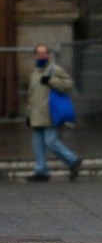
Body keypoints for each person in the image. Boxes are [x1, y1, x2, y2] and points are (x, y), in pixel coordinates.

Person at [25, 44, 82, 182]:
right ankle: (41, 170)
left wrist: (51, 81)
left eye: (44, 53)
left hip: (50, 112)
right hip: (37, 114)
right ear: (34, 56)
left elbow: (68, 84)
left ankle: (72, 160)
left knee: (50, 141)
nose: (42, 55)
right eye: (39, 53)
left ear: (48, 55)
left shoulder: (54, 69)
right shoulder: (34, 74)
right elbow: (31, 96)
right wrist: (28, 114)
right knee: (37, 143)